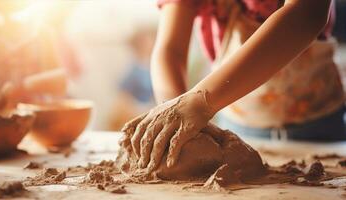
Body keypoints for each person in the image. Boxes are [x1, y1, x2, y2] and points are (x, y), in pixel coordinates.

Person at [123, 0, 345, 172]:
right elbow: (171, 51)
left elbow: (306, 14)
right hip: (238, 123)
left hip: (319, 123)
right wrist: (174, 112)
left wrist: (202, 101)